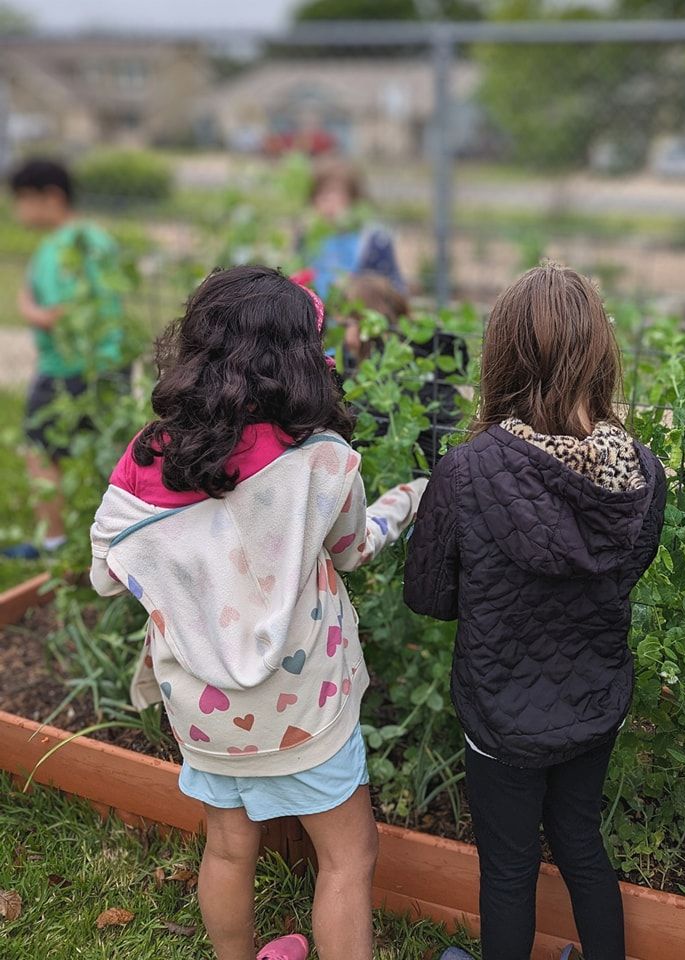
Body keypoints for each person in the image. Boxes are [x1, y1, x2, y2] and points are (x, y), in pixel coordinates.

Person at [89, 265, 426, 960]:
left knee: (228, 848)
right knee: (348, 855)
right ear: (302, 360)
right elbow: (353, 548)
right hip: (306, 702)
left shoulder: (148, 457)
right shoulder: (321, 459)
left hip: (204, 707)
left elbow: (107, 568)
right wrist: (409, 500)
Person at [403, 263, 667, 960]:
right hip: (593, 699)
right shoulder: (642, 471)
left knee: (510, 866)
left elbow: (429, 596)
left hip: (502, 713)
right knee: (581, 839)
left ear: (503, 355)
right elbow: (625, 569)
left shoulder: (466, 470)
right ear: (599, 355)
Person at [5, 159, 125, 559]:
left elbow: (63, 311)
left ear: (51, 198)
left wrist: (31, 312)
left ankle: (54, 544)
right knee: (109, 453)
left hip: (66, 369)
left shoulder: (60, 247)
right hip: (111, 362)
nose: (16, 209)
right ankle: (114, 542)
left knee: (42, 453)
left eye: (21, 199)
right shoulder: (97, 237)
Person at [342, 272, 468, 467]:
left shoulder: (385, 377)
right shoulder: (425, 352)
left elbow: (358, 438)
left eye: (349, 324)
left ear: (366, 325)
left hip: (425, 476)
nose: (345, 335)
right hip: (449, 470)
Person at [301, 156, 405, 301]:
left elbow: (395, 289)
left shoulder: (374, 239)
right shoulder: (307, 236)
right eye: (322, 195)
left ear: (354, 198)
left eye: (337, 194)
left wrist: (359, 288)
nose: (329, 203)